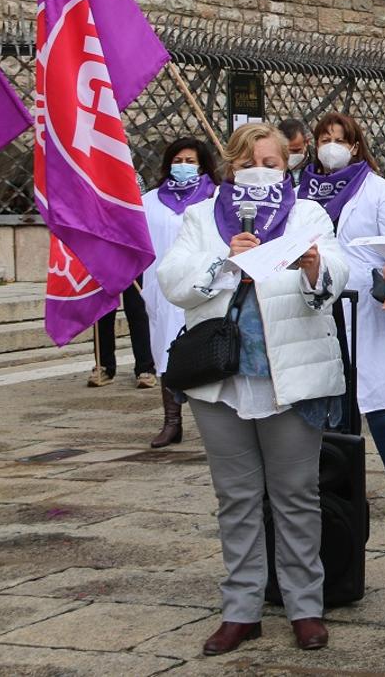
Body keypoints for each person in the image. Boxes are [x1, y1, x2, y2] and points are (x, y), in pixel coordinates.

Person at [157, 122, 348, 656]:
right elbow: (172, 280)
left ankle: (304, 605)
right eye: (248, 163)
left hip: (290, 377)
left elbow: (338, 270)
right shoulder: (202, 216)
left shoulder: (306, 212)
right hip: (220, 380)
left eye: (271, 162)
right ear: (232, 168)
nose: (260, 171)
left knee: (295, 496)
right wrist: (224, 261)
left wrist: (315, 267)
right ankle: (241, 609)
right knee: (236, 498)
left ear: (285, 166)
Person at [299, 113, 385, 517]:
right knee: (330, 400)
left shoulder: (377, 189)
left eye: (340, 138)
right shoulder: (300, 192)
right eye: (324, 138)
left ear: (355, 145)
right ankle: (343, 486)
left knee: (381, 400)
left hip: (368, 304)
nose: (331, 145)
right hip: (315, 303)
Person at [141, 137, 219, 447]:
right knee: (164, 355)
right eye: (178, 160)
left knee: (206, 355)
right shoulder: (150, 201)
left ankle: (215, 425)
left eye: (190, 161)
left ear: (202, 164)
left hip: (203, 287)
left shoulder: (214, 199)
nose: (183, 166)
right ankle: (171, 422)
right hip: (161, 290)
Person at [90, 171, 158, 390]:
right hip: (102, 249)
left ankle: (145, 368)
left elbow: (141, 212)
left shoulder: (133, 176)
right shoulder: (92, 174)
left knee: (137, 309)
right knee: (102, 312)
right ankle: (103, 366)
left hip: (131, 251)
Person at [279, 119, 310, 187]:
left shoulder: (317, 166)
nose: (289, 156)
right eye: (284, 151)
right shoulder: (273, 168)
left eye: (295, 150)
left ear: (307, 142)